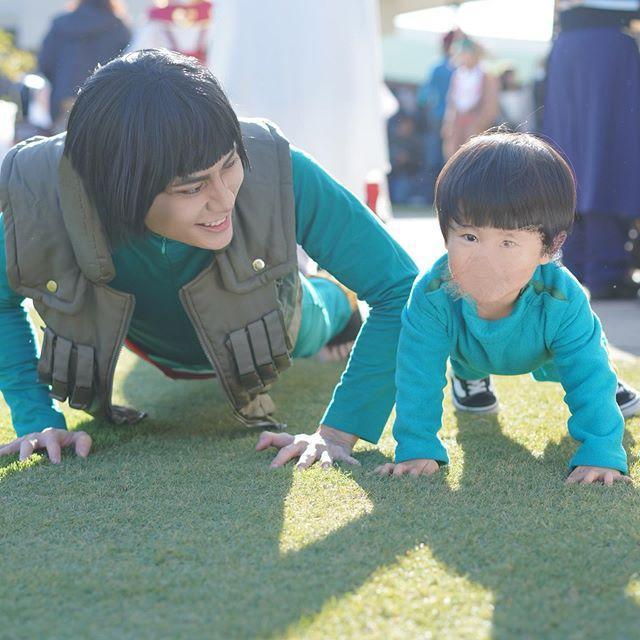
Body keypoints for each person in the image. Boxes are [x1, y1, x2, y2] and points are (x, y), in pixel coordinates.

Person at [0, 49, 417, 466]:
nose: (224, 199)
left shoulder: (277, 164)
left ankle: (332, 298)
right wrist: (36, 420)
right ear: (114, 189)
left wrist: (339, 433)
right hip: (145, 338)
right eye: (191, 188)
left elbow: (401, 288)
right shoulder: (41, 192)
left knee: (316, 318)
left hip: (271, 313)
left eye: (230, 164)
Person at [374, 132, 639, 484]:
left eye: (508, 242)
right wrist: (417, 446)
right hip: (467, 350)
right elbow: (417, 373)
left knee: (585, 373)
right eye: (469, 237)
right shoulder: (431, 294)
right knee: (465, 350)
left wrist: (602, 452)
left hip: (546, 351)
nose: (485, 259)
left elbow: (586, 371)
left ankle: (612, 385)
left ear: (550, 247)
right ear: (445, 232)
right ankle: (469, 378)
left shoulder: (562, 300)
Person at [542, 0, 640, 299]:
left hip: (570, 42)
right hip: (608, 43)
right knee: (607, 150)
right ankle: (603, 267)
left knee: (573, 153)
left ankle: (580, 265)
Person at [38, 0, 131, 132]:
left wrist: (61, 83)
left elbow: (45, 62)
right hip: (104, 102)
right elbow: (128, 67)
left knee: (62, 146)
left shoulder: (60, 24)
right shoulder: (118, 26)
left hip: (65, 100)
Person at [441, 38, 500, 161]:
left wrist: (477, 125)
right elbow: (452, 102)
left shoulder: (486, 76)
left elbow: (490, 107)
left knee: (474, 159)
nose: (463, 57)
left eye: (466, 53)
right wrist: (449, 124)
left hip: (476, 126)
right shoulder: (458, 74)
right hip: (458, 124)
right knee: (454, 159)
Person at [417, 30, 456, 204]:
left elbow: (424, 95)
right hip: (452, 119)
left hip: (439, 116)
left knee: (434, 156)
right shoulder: (457, 68)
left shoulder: (438, 67)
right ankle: (446, 199)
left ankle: (431, 198)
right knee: (449, 158)